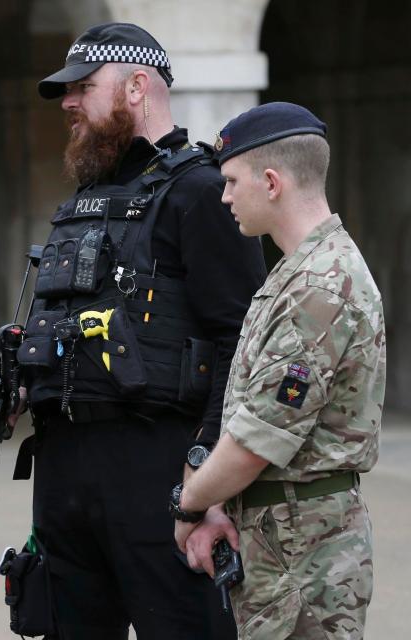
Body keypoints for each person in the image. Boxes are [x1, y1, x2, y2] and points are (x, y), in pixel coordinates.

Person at [0, 22, 267, 639]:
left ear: (136, 86)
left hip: (159, 469)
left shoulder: (200, 191)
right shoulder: (86, 199)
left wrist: (207, 482)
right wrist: (23, 385)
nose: (68, 103)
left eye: (83, 88)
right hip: (66, 474)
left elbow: (243, 346)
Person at [172, 102, 384, 639]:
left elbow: (255, 441)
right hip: (283, 544)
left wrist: (189, 503)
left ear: (271, 182)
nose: (223, 197)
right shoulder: (296, 272)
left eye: (230, 181)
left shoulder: (319, 286)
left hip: (303, 557)